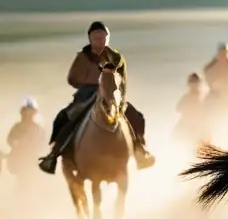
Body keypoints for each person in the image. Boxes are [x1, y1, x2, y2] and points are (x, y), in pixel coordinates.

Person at [38, 21, 155, 174]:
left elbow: (123, 79)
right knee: (65, 117)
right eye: (96, 38)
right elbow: (72, 79)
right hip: (87, 93)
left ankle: (140, 150)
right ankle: (54, 154)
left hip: (111, 94)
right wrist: (91, 83)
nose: (100, 41)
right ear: (90, 39)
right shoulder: (82, 57)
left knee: (136, 116)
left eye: (103, 38)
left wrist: (119, 98)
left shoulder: (115, 57)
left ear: (107, 38)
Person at [5, 97, 47, 179]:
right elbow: (9, 139)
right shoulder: (17, 127)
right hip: (19, 161)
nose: (27, 114)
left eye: (30, 112)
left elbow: (43, 144)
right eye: (26, 112)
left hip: (32, 161)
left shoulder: (38, 128)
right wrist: (15, 143)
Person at [174, 73, 209, 145]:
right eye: (191, 82)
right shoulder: (186, 97)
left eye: (195, 82)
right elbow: (178, 109)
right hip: (187, 126)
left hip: (200, 127)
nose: (193, 85)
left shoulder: (204, 97)